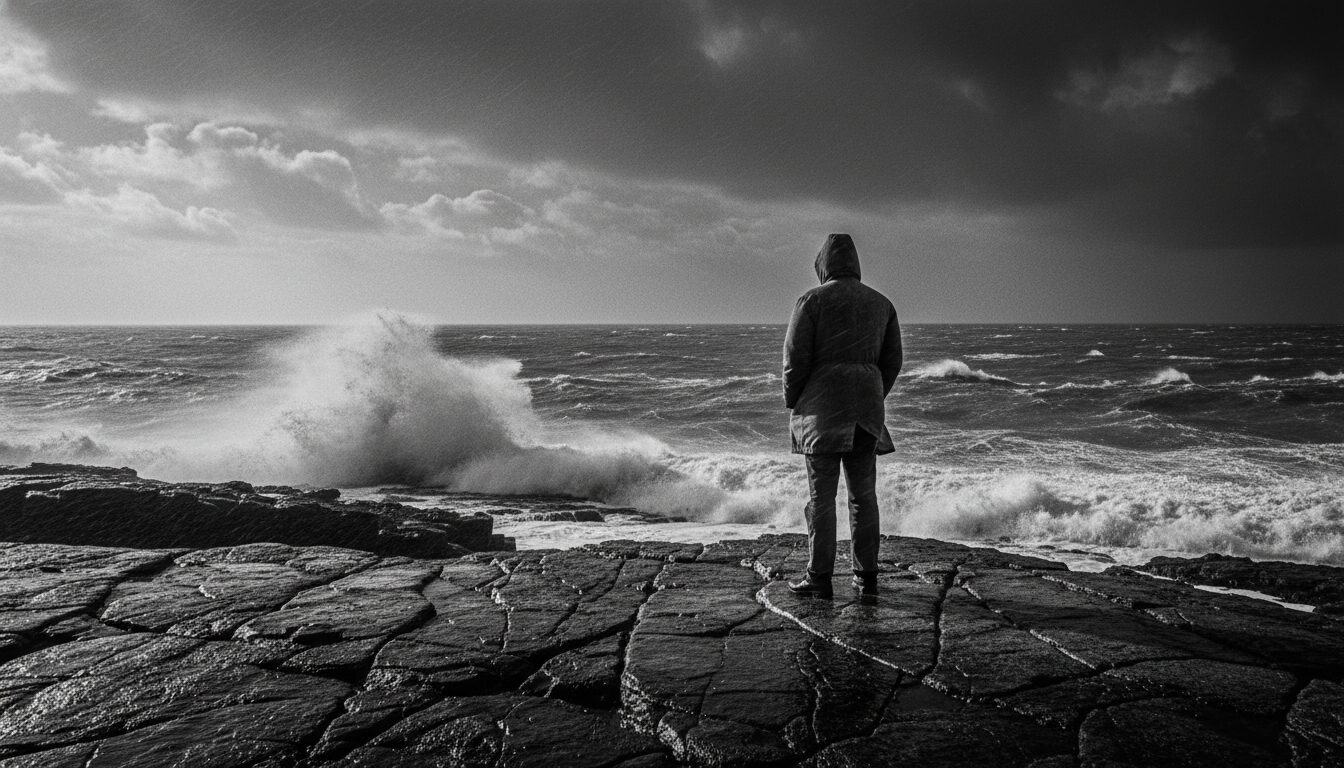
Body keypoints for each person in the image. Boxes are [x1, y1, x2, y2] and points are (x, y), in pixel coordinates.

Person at [782, 234, 902, 599]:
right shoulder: (882, 305)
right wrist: (873, 393)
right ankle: (866, 578)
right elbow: (893, 361)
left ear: (824, 265)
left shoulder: (811, 301)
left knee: (822, 496)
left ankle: (819, 578)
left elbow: (794, 361)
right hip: (867, 411)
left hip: (821, 411)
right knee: (864, 495)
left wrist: (795, 401)